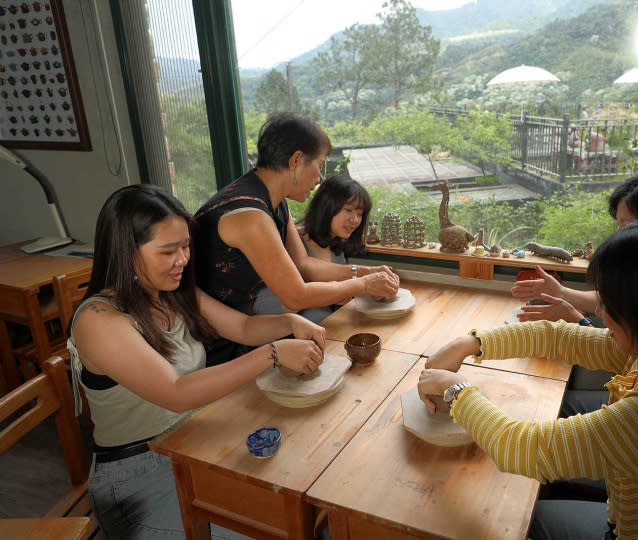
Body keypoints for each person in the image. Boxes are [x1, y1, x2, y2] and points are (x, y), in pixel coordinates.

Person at [419, 217, 638, 540]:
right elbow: (558, 337)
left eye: (609, 303)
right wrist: (471, 342)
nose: (599, 312)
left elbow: (521, 449)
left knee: (505, 521)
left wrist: (456, 389)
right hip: (628, 518)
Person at [67, 184, 326, 539]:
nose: (183, 260)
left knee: (304, 507)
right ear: (127, 253)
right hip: (136, 475)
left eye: (186, 246)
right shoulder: (98, 320)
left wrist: (289, 322)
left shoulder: (169, 293)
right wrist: (274, 353)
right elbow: (176, 392)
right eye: (168, 251)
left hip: (193, 445)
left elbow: (245, 327)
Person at [194, 112, 399, 365]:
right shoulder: (249, 216)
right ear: (297, 160)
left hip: (247, 327)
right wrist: (364, 285)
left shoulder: (273, 201)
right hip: (220, 341)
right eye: (320, 165)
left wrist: (368, 271)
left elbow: (304, 266)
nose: (319, 178)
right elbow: (296, 296)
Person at [512, 169, 638, 325]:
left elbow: (620, 355)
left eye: (627, 226)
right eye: (619, 225)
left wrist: (578, 320)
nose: (619, 235)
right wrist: (562, 294)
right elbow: (622, 302)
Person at [259, 174, 374, 323]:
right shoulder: (293, 243)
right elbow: (267, 305)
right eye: (348, 210)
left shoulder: (337, 246)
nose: (355, 220)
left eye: (360, 214)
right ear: (327, 206)